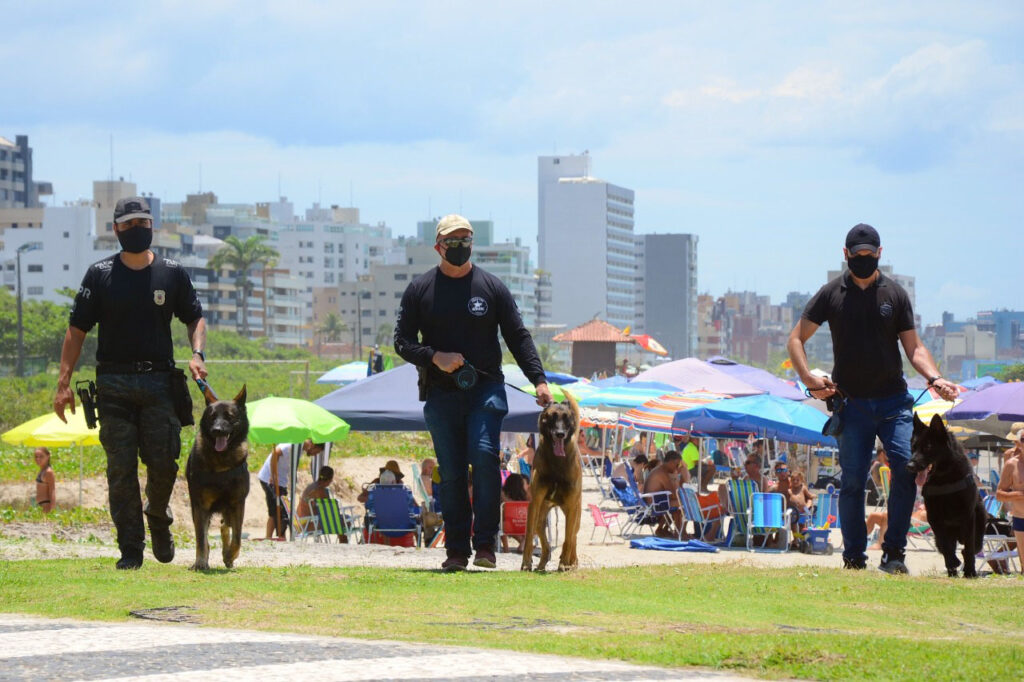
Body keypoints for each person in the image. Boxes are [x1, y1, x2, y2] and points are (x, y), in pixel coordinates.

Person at [787, 223, 959, 574]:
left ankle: (894, 554)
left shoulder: (894, 294)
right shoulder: (831, 293)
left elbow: (914, 347)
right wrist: (807, 377)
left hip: (895, 402)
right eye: (857, 255)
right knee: (852, 481)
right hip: (852, 404)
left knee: (906, 470)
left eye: (869, 255)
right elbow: (795, 339)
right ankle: (854, 557)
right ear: (846, 254)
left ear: (879, 253)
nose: (863, 260)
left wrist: (935, 377)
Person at [53, 196, 206, 570]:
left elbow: (195, 318)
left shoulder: (172, 273)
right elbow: (76, 331)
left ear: (152, 226)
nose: (137, 229)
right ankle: (131, 550)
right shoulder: (99, 275)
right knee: (120, 470)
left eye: (143, 222)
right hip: (114, 384)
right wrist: (63, 383)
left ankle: (157, 515)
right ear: (116, 229)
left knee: (163, 463)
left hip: (159, 382)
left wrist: (197, 354)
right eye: (129, 224)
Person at [394, 214, 552, 572]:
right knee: (450, 472)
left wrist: (538, 380)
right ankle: (456, 550)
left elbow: (518, 336)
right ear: (438, 247)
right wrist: (435, 356)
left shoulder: (492, 287)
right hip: (440, 393)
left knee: (483, 458)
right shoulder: (420, 289)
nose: (461, 247)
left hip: (487, 390)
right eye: (453, 241)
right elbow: (401, 342)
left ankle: (485, 545)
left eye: (466, 239)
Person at [258, 440, 324, 539]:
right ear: (313, 445)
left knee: (278, 510)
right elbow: (275, 453)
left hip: (281, 481)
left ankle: (272, 537)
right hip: (270, 479)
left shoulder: (300, 449)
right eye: (317, 452)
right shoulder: (293, 444)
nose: (315, 455)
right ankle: (278, 537)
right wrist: (273, 475)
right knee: (278, 510)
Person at [995, 426, 1024, 570]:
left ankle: (998, 559)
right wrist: (1018, 495)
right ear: (1018, 442)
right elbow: (999, 494)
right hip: (1020, 517)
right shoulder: (1012, 463)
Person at [642, 450, 686, 538]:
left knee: (679, 502)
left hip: (658, 501)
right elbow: (674, 493)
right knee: (683, 504)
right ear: (670, 462)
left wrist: (676, 476)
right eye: (676, 465)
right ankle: (680, 533)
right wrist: (680, 478)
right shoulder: (661, 473)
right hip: (654, 503)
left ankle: (662, 529)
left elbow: (673, 492)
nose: (677, 467)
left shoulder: (662, 470)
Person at [297, 465, 342, 541]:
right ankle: (343, 545)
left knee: (340, 521)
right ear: (330, 479)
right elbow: (327, 511)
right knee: (342, 522)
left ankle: (343, 543)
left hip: (301, 523)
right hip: (307, 525)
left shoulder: (313, 486)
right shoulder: (319, 490)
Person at [500, 472, 530, 553]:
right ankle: (523, 544)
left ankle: (506, 548)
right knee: (530, 526)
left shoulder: (502, 494)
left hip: (507, 525)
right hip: (522, 524)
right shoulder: (523, 496)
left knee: (502, 524)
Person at [33, 447, 56, 513]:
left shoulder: (48, 472)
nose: (38, 459)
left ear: (48, 456)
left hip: (45, 506)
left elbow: (52, 491)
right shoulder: (42, 470)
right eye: (36, 457)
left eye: (41, 456)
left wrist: (52, 510)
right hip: (39, 505)